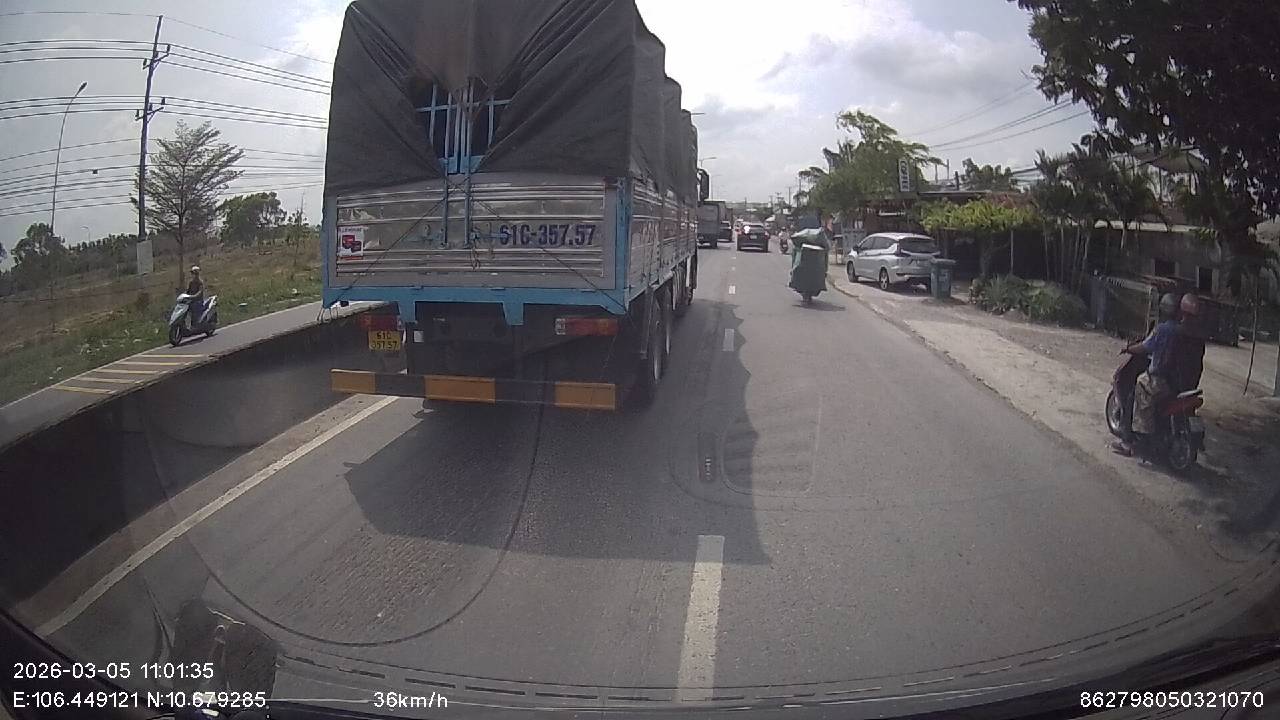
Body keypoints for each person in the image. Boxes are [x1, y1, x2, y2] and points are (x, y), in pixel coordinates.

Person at [1112, 292, 1182, 456]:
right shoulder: (1181, 332)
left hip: (1157, 379)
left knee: (1132, 396)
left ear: (1163, 309)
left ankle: (1128, 442)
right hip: (1175, 382)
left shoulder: (1162, 330)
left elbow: (1145, 347)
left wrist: (1128, 348)